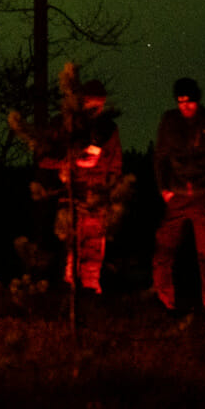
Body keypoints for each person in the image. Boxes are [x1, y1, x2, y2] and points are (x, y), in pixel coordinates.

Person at [153, 75, 205, 311]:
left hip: (203, 196)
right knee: (163, 251)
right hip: (177, 196)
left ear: (197, 100)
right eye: (180, 102)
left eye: (189, 101)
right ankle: (164, 303)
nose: (185, 106)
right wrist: (164, 189)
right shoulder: (170, 122)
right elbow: (159, 157)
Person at [56, 79, 124, 294]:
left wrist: (110, 187)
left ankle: (91, 287)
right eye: (91, 103)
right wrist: (66, 167)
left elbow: (115, 163)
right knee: (72, 244)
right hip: (73, 194)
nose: (96, 108)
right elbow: (48, 154)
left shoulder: (108, 130)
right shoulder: (68, 126)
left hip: (97, 195)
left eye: (100, 104)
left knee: (95, 245)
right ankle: (70, 286)